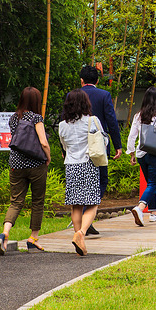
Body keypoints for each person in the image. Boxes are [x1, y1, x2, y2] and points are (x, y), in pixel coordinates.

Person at [0, 86, 51, 255]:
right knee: (37, 201)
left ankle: (5, 233)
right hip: (36, 165)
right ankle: (33, 238)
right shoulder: (36, 117)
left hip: (16, 165)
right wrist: (48, 157)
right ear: (36, 101)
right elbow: (43, 142)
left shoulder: (14, 118)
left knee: (15, 201)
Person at [58, 88, 103, 256]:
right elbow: (102, 139)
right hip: (88, 164)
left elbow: (64, 145)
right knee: (92, 203)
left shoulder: (62, 125)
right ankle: (81, 233)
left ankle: (79, 242)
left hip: (71, 165)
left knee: (76, 204)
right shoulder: (92, 120)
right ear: (86, 103)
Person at [78, 65, 122, 235]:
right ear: (97, 80)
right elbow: (111, 121)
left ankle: (84, 218)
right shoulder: (104, 95)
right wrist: (118, 145)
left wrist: (64, 148)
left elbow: (64, 120)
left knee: (82, 182)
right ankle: (87, 215)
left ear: (81, 80)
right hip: (98, 147)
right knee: (101, 180)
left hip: (78, 146)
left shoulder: (73, 95)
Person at [126, 86, 156, 226]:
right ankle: (140, 208)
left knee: (150, 184)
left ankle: (153, 213)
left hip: (142, 154)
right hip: (155, 154)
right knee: (154, 184)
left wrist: (131, 153)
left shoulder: (138, 115)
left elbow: (132, 136)